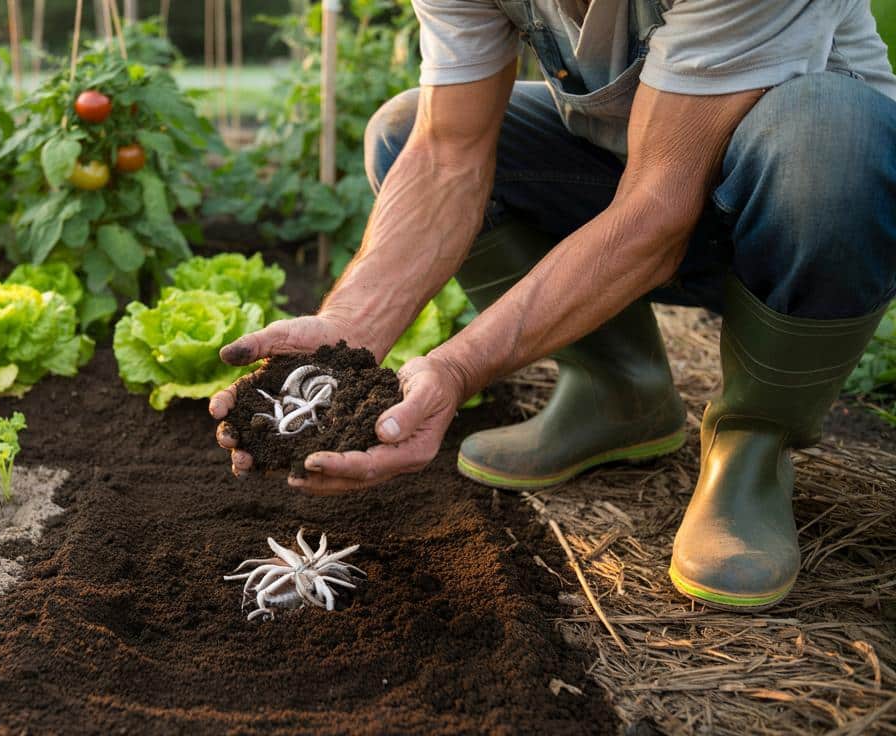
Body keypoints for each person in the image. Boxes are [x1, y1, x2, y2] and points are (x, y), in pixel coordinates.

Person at [210, 0, 896, 612]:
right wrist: (346, 333)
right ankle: (617, 391)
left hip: (796, 212)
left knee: (833, 136)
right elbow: (450, 157)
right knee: (404, 133)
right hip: (636, 181)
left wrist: (456, 367)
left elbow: (658, 208)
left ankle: (756, 442)